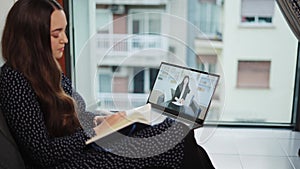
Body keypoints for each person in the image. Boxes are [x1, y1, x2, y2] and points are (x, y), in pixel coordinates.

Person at [0, 0, 215, 168]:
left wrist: (99, 121)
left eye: (64, 31)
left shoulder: (46, 70)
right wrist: (94, 132)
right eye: (56, 34)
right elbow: (43, 153)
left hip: (80, 148)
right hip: (66, 163)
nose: (65, 39)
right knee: (176, 143)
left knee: (174, 129)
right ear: (31, 38)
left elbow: (69, 116)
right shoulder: (14, 81)